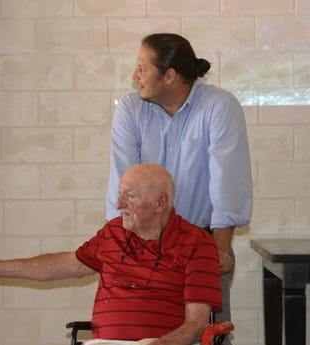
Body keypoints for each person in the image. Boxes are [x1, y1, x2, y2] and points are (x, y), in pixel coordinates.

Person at [0, 164, 222, 345]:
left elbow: (196, 324)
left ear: (160, 203)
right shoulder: (113, 234)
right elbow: (66, 264)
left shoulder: (197, 243)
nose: (118, 203)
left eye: (129, 196)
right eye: (119, 193)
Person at [105, 33, 252, 323]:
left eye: (142, 68)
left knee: (209, 340)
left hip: (202, 242)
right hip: (142, 243)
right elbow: (123, 182)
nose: (135, 76)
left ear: (169, 75)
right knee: (141, 333)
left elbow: (228, 179)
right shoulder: (130, 110)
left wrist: (219, 249)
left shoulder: (219, 106)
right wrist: (119, 247)